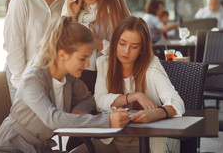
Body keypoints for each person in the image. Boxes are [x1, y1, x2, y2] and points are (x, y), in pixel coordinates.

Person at [0, 16, 130, 153]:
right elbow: (52, 119)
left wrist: (79, 112)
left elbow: (88, 99)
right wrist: (106, 121)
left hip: (41, 148)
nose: (87, 64)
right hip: (13, 147)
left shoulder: (68, 78)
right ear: (63, 54)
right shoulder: (33, 78)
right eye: (82, 58)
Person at [73, 16, 185, 153]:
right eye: (122, 44)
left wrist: (155, 114)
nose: (126, 51)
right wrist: (134, 96)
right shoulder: (104, 63)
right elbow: (99, 100)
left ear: (142, 49)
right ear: (115, 43)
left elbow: (177, 103)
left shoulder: (152, 65)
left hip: (145, 143)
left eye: (134, 47)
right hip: (112, 139)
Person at [3, 0, 72, 100]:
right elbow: (14, 49)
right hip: (20, 78)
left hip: (47, 78)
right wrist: (24, 87)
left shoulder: (60, 0)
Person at [66, 0, 130, 95]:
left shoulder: (114, 7)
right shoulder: (73, 7)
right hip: (80, 75)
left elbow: (127, 49)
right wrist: (71, 16)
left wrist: (98, 44)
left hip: (109, 75)